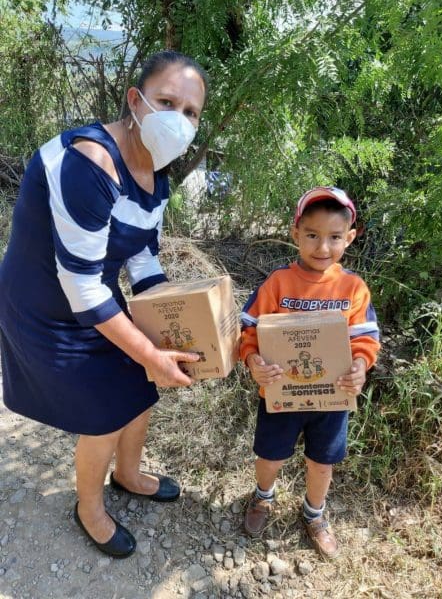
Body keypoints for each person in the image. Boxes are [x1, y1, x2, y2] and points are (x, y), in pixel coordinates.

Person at [0, 50, 207, 558]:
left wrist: (173, 322)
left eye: (190, 112)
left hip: (92, 294)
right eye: (167, 102)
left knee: (141, 386)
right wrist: (149, 351)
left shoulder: (156, 173)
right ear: (135, 101)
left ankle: (128, 475)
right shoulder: (89, 162)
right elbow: (81, 285)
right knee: (105, 411)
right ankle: (89, 508)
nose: (178, 120)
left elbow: (141, 255)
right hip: (42, 304)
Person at [239, 187, 380, 559]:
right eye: (313, 235)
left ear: (349, 237)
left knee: (322, 462)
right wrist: (253, 361)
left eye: (334, 237)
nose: (323, 247)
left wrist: (360, 367)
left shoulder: (353, 288)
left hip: (331, 398)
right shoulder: (277, 283)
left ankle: (314, 514)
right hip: (280, 395)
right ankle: (263, 497)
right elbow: (248, 330)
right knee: (270, 456)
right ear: (295, 233)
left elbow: (365, 339)